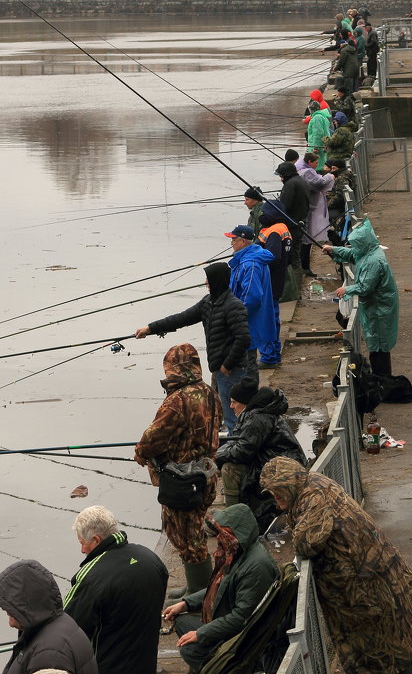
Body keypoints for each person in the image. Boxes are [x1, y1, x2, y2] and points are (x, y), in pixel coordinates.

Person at [259, 458, 412, 674]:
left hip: (366, 590)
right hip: (369, 581)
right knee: (392, 648)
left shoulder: (313, 496)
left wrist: (295, 527)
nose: (275, 497)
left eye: (278, 490)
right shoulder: (313, 483)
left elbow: (306, 543)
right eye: (271, 492)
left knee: (385, 653)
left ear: (290, 483)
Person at [134, 344, 221, 597]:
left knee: (187, 536)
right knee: (193, 531)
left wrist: (140, 453)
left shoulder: (177, 401)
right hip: (206, 475)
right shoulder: (209, 393)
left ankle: (200, 595)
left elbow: (153, 438)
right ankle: (195, 587)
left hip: (182, 481)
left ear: (175, 369)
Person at [161, 504, 280, 674]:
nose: (218, 538)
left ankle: (223, 667)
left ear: (239, 534)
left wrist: (201, 634)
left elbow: (241, 618)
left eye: (224, 533)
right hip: (230, 620)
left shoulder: (256, 568)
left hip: (245, 637)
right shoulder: (237, 552)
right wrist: (186, 604)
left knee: (190, 649)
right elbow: (219, 587)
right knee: (180, 619)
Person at [135, 262, 253, 432]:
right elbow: (181, 318)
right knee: (219, 413)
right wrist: (150, 328)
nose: (205, 282)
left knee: (233, 417)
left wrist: (227, 365)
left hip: (232, 371)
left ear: (216, 280)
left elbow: (243, 339)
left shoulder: (233, 306)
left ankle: (238, 452)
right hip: (218, 370)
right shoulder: (208, 302)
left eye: (208, 279)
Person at [63, 506, 168, 674]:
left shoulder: (91, 577)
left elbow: (69, 628)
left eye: (83, 543)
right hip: (146, 662)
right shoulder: (150, 558)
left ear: (96, 540)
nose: (82, 550)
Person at [215, 378, 306, 530]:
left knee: (229, 469)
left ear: (244, 402)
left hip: (282, 468)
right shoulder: (256, 413)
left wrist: (217, 457)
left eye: (234, 402)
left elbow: (242, 451)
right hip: (274, 460)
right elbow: (240, 443)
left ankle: (233, 518)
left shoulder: (258, 418)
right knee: (226, 462)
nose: (230, 406)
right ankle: (234, 515)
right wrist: (220, 454)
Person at [0, 559, 100, 674]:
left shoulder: (49, 654)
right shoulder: (58, 622)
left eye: (10, 609)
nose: (9, 620)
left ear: (26, 603)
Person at [320, 217, 398, 377]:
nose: (355, 247)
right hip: (376, 306)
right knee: (376, 343)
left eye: (356, 244)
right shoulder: (368, 251)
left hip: (379, 308)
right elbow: (352, 254)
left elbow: (365, 286)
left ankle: (382, 379)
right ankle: (381, 379)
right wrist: (333, 249)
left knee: (379, 344)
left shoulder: (374, 261)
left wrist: (347, 289)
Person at [225, 225, 279, 369]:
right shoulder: (250, 256)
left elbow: (252, 297)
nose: (231, 243)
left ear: (243, 242)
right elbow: (236, 283)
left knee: (246, 365)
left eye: (234, 240)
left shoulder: (251, 263)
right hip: (250, 322)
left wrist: (237, 316)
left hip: (248, 324)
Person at [297, 152, 334, 276]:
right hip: (307, 210)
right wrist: (329, 176)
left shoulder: (304, 171)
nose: (318, 165)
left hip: (306, 209)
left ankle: (304, 267)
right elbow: (320, 183)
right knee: (306, 241)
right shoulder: (307, 173)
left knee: (306, 240)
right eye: (316, 163)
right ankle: (305, 268)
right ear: (309, 162)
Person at [258, 200, 295, 306]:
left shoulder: (274, 231)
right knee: (274, 311)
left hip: (269, 282)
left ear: (271, 214)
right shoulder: (284, 228)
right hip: (279, 280)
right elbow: (290, 258)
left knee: (268, 313)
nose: (262, 216)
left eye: (264, 213)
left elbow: (272, 257)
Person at [324, 158, 355, 245]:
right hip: (343, 207)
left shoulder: (341, 178)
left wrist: (327, 205)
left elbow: (340, 196)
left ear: (339, 168)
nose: (332, 171)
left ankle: (337, 242)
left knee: (324, 215)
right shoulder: (345, 174)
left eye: (334, 169)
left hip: (341, 209)